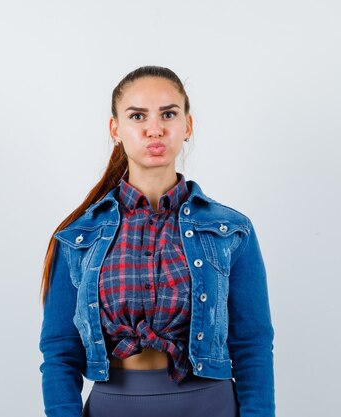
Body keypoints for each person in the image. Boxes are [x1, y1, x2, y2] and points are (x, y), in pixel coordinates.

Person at [38, 65, 275, 417]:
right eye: (137, 116)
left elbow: (252, 345)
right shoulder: (77, 237)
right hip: (113, 407)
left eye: (169, 114)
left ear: (187, 126)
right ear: (115, 129)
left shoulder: (232, 230)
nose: (155, 129)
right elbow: (60, 352)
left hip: (211, 405)